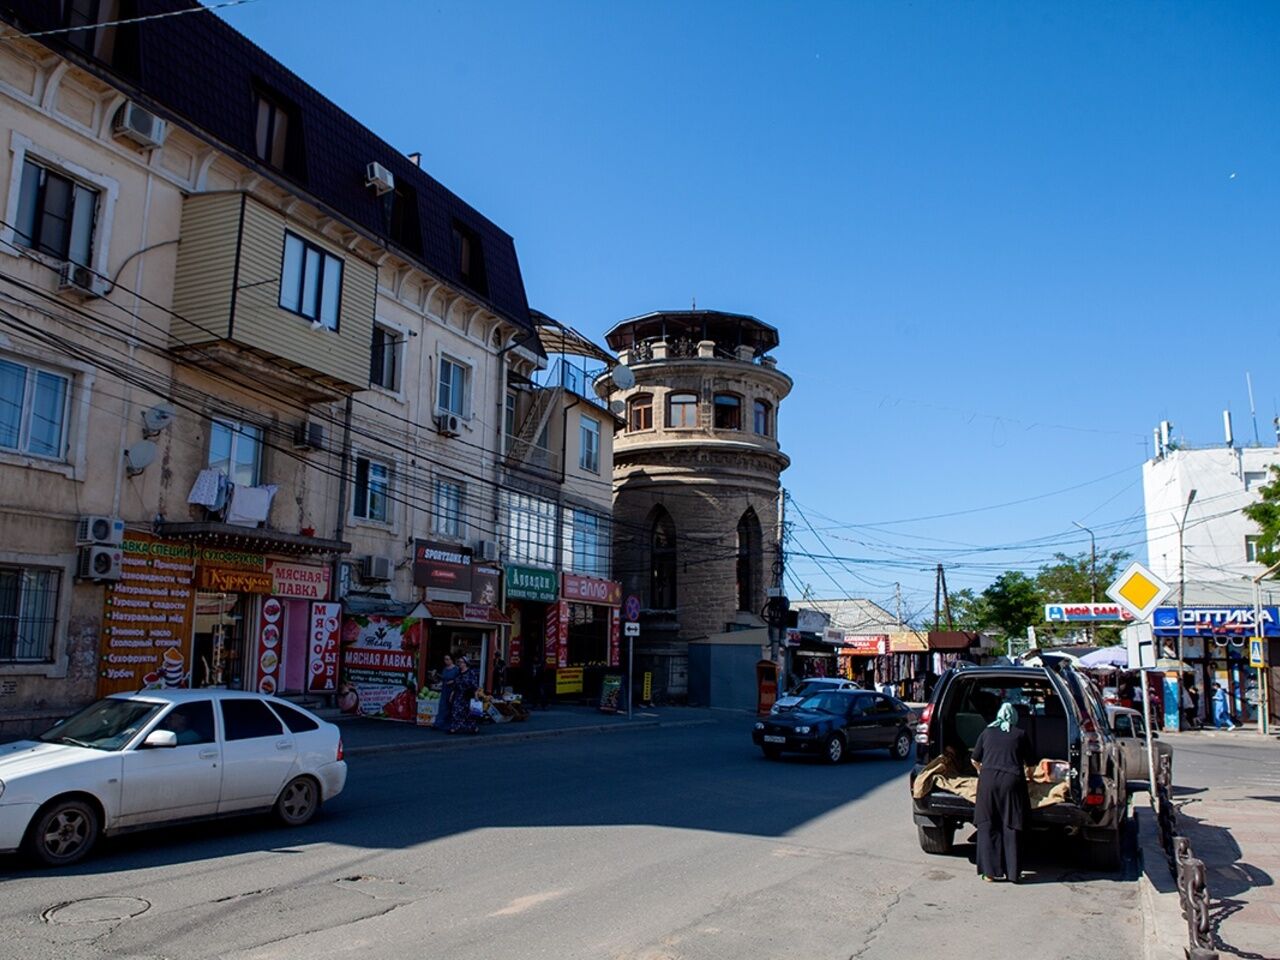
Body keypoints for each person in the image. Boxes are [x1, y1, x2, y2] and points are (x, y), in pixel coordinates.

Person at [971, 702, 1033, 883]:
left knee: (987, 823)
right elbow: (1029, 764)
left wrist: (981, 770)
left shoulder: (987, 732)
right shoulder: (1020, 734)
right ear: (1013, 717)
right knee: (1011, 823)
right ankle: (1013, 873)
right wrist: (1029, 776)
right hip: (1011, 781)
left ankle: (989, 873)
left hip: (988, 781)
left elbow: (974, 759)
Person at [447, 655, 481, 734]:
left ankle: (473, 728)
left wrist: (476, 695)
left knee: (469, 713)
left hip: (468, 695)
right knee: (456, 711)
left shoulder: (471, 673)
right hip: (459, 695)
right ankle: (454, 728)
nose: (459, 664)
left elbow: (475, 685)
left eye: (461, 662)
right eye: (459, 662)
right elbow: (456, 683)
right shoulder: (458, 672)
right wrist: (452, 694)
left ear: (466, 663)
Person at [433, 654, 458, 731]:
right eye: (445, 659)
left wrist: (453, 681)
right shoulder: (445, 669)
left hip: (452, 690)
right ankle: (438, 724)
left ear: (451, 660)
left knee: (451, 707)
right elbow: (442, 679)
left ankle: (450, 725)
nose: (446, 661)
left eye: (448, 659)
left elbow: (459, 679)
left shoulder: (456, 669)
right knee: (443, 707)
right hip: (444, 689)